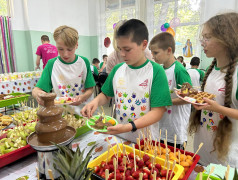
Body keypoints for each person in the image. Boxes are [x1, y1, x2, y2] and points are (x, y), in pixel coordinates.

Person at [81, 19, 172, 143]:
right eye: (119, 49)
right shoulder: (118, 69)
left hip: (146, 140)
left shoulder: (156, 71)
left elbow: (158, 111)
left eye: (127, 49)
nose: (122, 54)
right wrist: (95, 101)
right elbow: (106, 95)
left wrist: (129, 126)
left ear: (144, 45)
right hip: (120, 137)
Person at [189, 12, 238, 168]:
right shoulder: (212, 70)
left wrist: (217, 108)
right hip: (203, 150)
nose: (202, 42)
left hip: (226, 160)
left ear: (227, 39)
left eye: (207, 37)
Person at [32, 25, 95, 115]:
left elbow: (90, 89)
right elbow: (36, 90)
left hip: (84, 111)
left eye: (70, 49)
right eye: (60, 49)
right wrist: (39, 95)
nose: (65, 54)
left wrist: (83, 97)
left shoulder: (83, 62)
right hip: (62, 114)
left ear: (76, 45)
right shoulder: (52, 64)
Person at [149, 32, 192, 149]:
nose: (152, 56)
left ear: (169, 50)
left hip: (175, 130)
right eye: (151, 52)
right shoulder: (160, 70)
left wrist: (165, 102)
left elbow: (188, 98)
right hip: (162, 127)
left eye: (156, 52)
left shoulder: (179, 70)